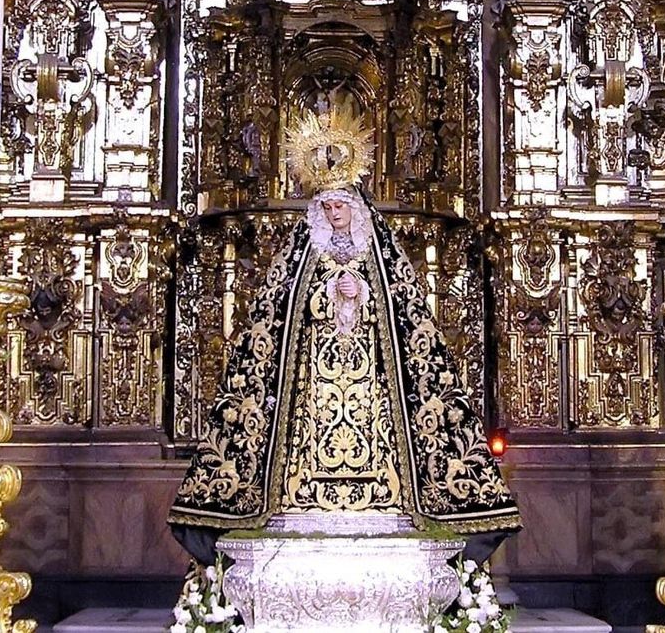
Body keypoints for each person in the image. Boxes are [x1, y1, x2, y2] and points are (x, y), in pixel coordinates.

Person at [168, 103, 520, 565]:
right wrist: (326, 295)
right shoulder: (303, 256)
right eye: (328, 206)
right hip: (313, 379)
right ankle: (298, 497)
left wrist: (363, 297)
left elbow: (405, 321)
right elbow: (278, 320)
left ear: (356, 208)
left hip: (371, 379)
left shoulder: (380, 258)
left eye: (341, 206)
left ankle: (385, 497)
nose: (335, 214)